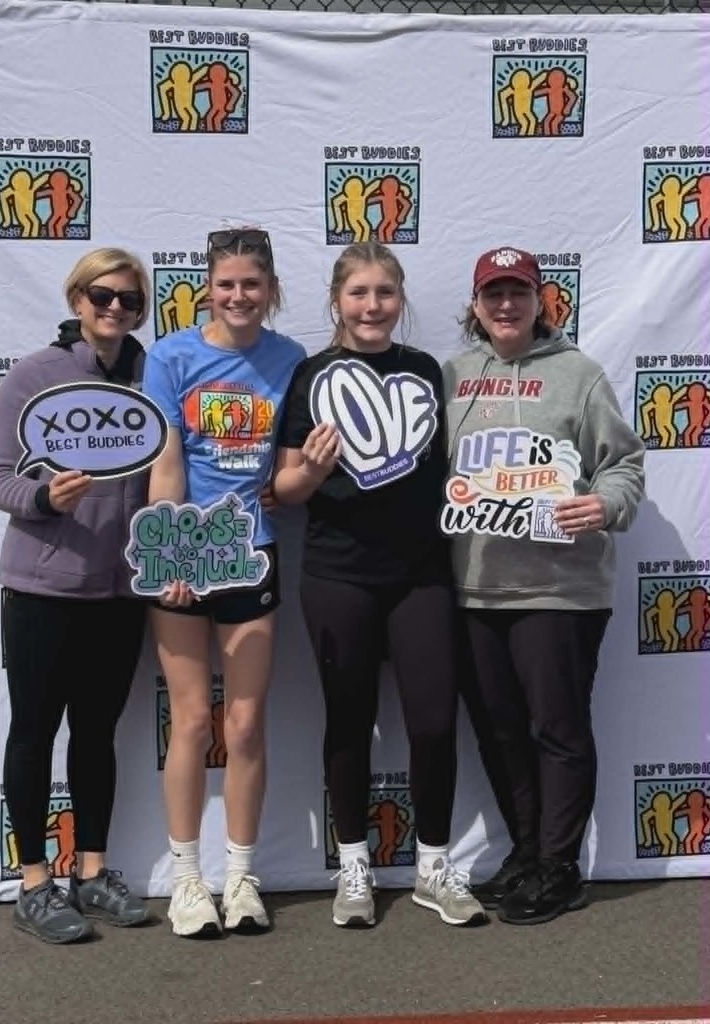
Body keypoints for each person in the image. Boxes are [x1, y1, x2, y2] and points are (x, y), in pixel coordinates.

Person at [273, 241, 485, 929]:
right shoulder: (309, 375)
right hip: (338, 575)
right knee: (346, 720)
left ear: (400, 301)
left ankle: (431, 864)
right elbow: (283, 488)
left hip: (421, 575)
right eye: (358, 293)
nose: (371, 306)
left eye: (384, 293)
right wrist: (309, 469)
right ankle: (354, 865)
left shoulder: (424, 369)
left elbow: (452, 470)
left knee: (431, 721)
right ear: (336, 300)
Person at [442, 246, 645, 925]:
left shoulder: (577, 376)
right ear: (475, 305)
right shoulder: (451, 376)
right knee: (499, 732)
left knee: (555, 729)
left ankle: (558, 867)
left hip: (558, 590)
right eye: (493, 293)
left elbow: (621, 465)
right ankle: (526, 853)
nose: (505, 305)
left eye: (518, 293)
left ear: (540, 301)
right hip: (473, 589)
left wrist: (606, 504)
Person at [0, 248, 154, 943]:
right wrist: (44, 498)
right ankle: (33, 883)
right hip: (41, 589)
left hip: (119, 591)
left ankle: (91, 873)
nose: (115, 309)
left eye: (130, 300)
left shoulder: (153, 377)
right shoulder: (34, 375)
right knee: (32, 734)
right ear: (77, 299)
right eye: (102, 296)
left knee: (95, 735)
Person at [142, 227, 304, 937]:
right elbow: (167, 463)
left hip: (254, 554)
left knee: (243, 724)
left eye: (252, 283)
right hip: (185, 555)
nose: (239, 295)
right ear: (208, 287)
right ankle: (186, 881)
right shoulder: (171, 355)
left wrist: (298, 475)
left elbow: (290, 461)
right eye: (227, 283)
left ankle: (240, 877)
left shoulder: (290, 358)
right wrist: (172, 556)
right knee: (193, 721)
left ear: (270, 290)